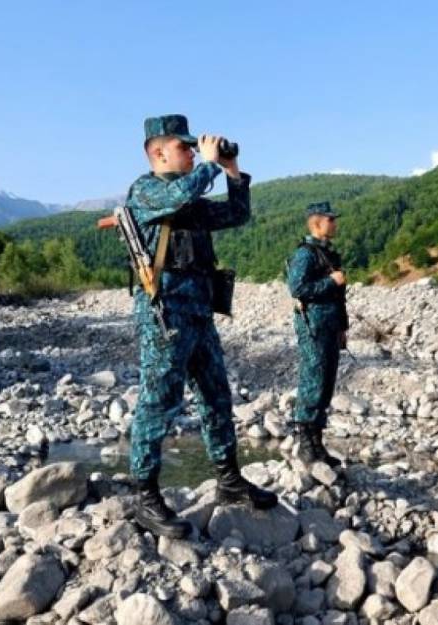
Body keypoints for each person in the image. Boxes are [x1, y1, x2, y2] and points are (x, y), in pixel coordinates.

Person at [126, 114, 277, 538]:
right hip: (165, 313)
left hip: (199, 312)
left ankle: (229, 481)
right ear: (157, 152)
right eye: (184, 147)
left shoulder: (189, 199)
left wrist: (231, 171)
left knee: (216, 396)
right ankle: (144, 493)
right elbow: (175, 198)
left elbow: (236, 213)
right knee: (159, 401)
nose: (193, 153)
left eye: (195, 148)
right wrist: (209, 164)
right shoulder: (148, 190)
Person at [286, 201, 349, 468]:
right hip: (312, 326)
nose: (335, 223)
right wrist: (330, 281)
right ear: (317, 223)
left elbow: (339, 297)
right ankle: (305, 444)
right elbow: (297, 288)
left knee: (325, 383)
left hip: (330, 326)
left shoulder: (327, 253)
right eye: (330, 219)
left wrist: (343, 327)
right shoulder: (306, 254)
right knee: (313, 380)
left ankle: (317, 443)